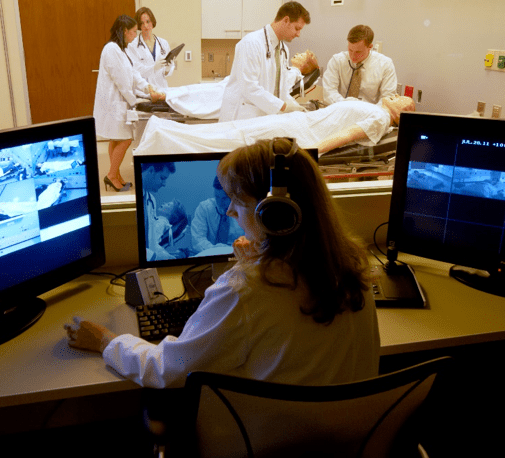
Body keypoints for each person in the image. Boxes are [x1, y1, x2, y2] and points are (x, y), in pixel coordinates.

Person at [64, 138, 381, 388]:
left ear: (274, 213)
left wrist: (107, 341)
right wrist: (258, 260)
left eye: (238, 201)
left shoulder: (245, 290)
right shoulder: (354, 265)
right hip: (352, 447)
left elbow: (166, 369)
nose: (230, 211)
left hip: (267, 455)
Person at [135, 96, 416, 156]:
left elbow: (348, 135)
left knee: (233, 139)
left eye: (402, 100)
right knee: (233, 132)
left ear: (401, 116)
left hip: (298, 134)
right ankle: (162, 135)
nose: (396, 95)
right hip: (295, 124)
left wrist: (310, 152)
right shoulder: (374, 107)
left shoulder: (380, 118)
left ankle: (162, 139)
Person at [94, 15, 166, 192]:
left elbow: (133, 74)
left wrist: (148, 88)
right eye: (134, 32)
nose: (135, 35)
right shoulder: (111, 49)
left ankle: (115, 173)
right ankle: (111, 175)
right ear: (125, 31)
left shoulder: (121, 50)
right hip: (113, 104)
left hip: (118, 102)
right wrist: (141, 99)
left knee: (115, 140)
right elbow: (123, 82)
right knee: (125, 139)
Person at [218, 1, 317, 122]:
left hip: (263, 118)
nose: (298, 34)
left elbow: (281, 88)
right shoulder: (251, 43)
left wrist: (295, 107)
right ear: (286, 20)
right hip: (241, 116)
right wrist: (284, 106)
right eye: (297, 28)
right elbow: (249, 87)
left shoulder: (283, 50)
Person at [322, 25, 398, 108]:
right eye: (350, 50)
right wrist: (347, 106)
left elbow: (387, 99)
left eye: (358, 52)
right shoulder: (337, 61)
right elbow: (329, 92)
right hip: (340, 110)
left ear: (370, 47)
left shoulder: (385, 65)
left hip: (370, 115)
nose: (353, 56)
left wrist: (366, 111)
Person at [190, 176, 245, 254]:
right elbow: (198, 241)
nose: (219, 202)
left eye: (224, 198)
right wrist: (218, 250)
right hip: (210, 256)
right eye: (217, 197)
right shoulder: (204, 209)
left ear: (233, 195)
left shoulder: (243, 210)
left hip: (237, 257)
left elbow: (249, 240)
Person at [127, 7, 175, 89]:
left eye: (148, 22)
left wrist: (168, 68)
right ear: (138, 25)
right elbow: (135, 71)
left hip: (162, 89)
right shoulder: (132, 45)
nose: (145, 26)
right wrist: (153, 68)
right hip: (144, 91)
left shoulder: (163, 43)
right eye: (142, 23)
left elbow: (166, 73)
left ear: (152, 22)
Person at [141, 162, 179, 261]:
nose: (164, 184)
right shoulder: (132, 198)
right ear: (151, 170)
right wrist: (154, 256)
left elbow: (152, 242)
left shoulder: (151, 201)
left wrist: (166, 257)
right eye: (162, 178)